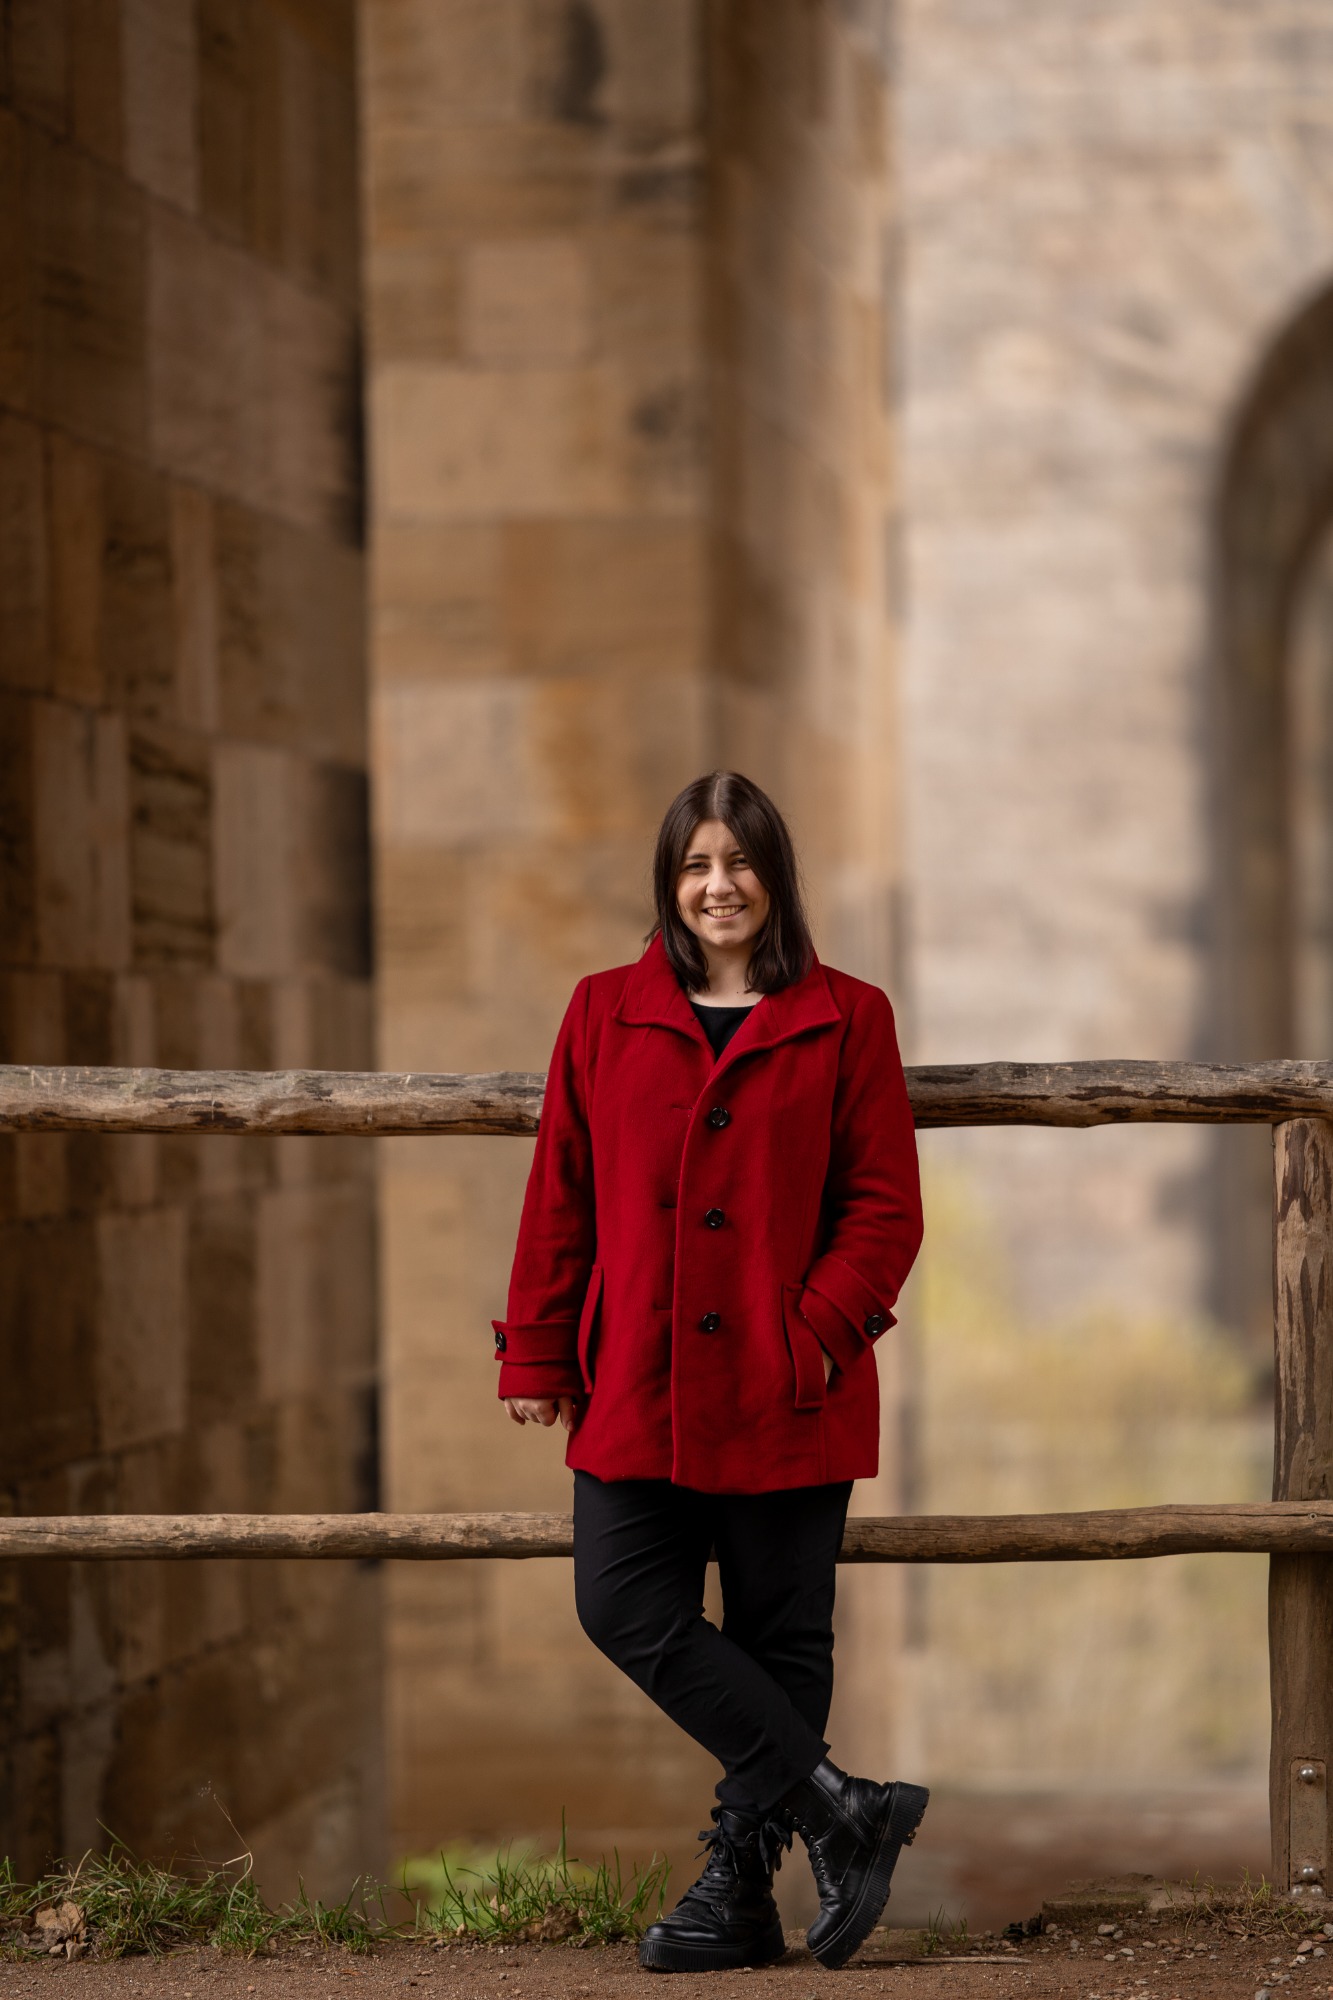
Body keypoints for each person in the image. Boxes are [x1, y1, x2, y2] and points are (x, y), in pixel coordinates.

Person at [492, 771, 927, 1974]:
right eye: (695, 864)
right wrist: (537, 1346)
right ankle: (843, 1806)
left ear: (774, 875)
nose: (718, 885)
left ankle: (738, 1892)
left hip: (790, 1383)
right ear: (669, 881)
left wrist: (814, 1332)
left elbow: (884, 1206)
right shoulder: (602, 1009)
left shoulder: (849, 1015)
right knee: (621, 1602)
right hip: (635, 1374)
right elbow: (560, 1190)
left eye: (739, 862)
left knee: (784, 1629)